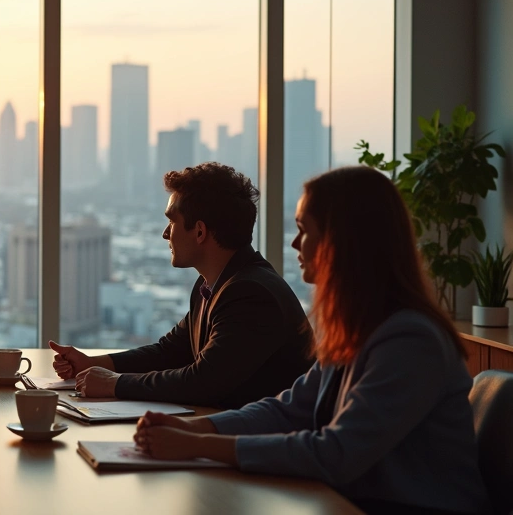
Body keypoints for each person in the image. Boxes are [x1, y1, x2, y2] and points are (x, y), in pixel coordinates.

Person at [131, 166, 489, 515]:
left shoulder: (410, 340)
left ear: (342, 240)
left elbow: (336, 453)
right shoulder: (361, 327)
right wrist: (192, 428)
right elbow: (290, 408)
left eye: (304, 229)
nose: (294, 242)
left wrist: (199, 444)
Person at [50, 163, 313, 408]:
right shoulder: (214, 283)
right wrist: (92, 364)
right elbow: (171, 352)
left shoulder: (251, 295)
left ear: (199, 232)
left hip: (264, 449)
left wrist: (114, 383)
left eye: (172, 221)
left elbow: (204, 382)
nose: (166, 233)